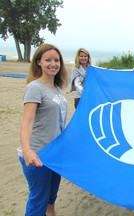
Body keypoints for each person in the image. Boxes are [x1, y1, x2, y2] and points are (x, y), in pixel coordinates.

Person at [19, 43, 68, 216]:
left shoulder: (56, 89)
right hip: (38, 154)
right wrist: (27, 150)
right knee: (38, 200)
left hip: (55, 154)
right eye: (48, 60)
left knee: (51, 197)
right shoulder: (34, 87)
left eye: (56, 60)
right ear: (39, 62)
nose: (53, 64)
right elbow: (27, 121)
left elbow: (58, 122)